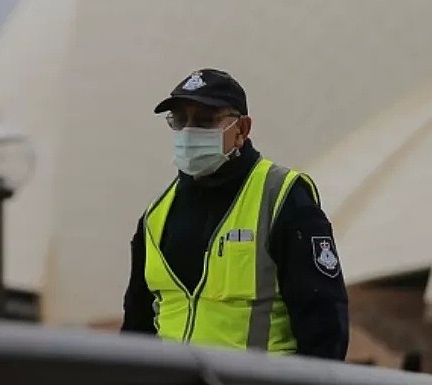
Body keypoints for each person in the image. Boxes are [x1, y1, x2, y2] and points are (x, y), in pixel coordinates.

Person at [120, 68, 349, 359]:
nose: (189, 131)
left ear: (241, 130)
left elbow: (325, 327)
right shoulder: (156, 216)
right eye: (180, 120)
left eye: (204, 120)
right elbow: (137, 330)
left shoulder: (281, 197)